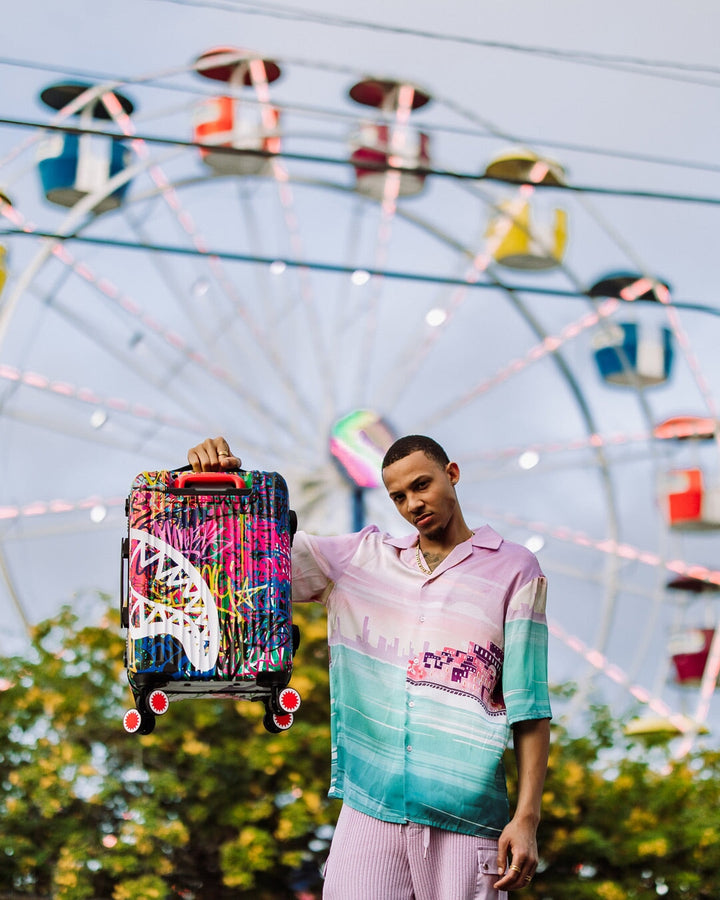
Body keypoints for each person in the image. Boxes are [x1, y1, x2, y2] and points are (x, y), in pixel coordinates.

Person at [188, 434, 551, 900]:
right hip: (369, 807)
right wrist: (218, 487)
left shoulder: (515, 568)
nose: (413, 504)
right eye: (398, 496)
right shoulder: (360, 559)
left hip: (464, 813)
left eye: (422, 485)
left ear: (452, 474)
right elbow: (238, 563)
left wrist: (526, 819)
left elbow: (529, 707)